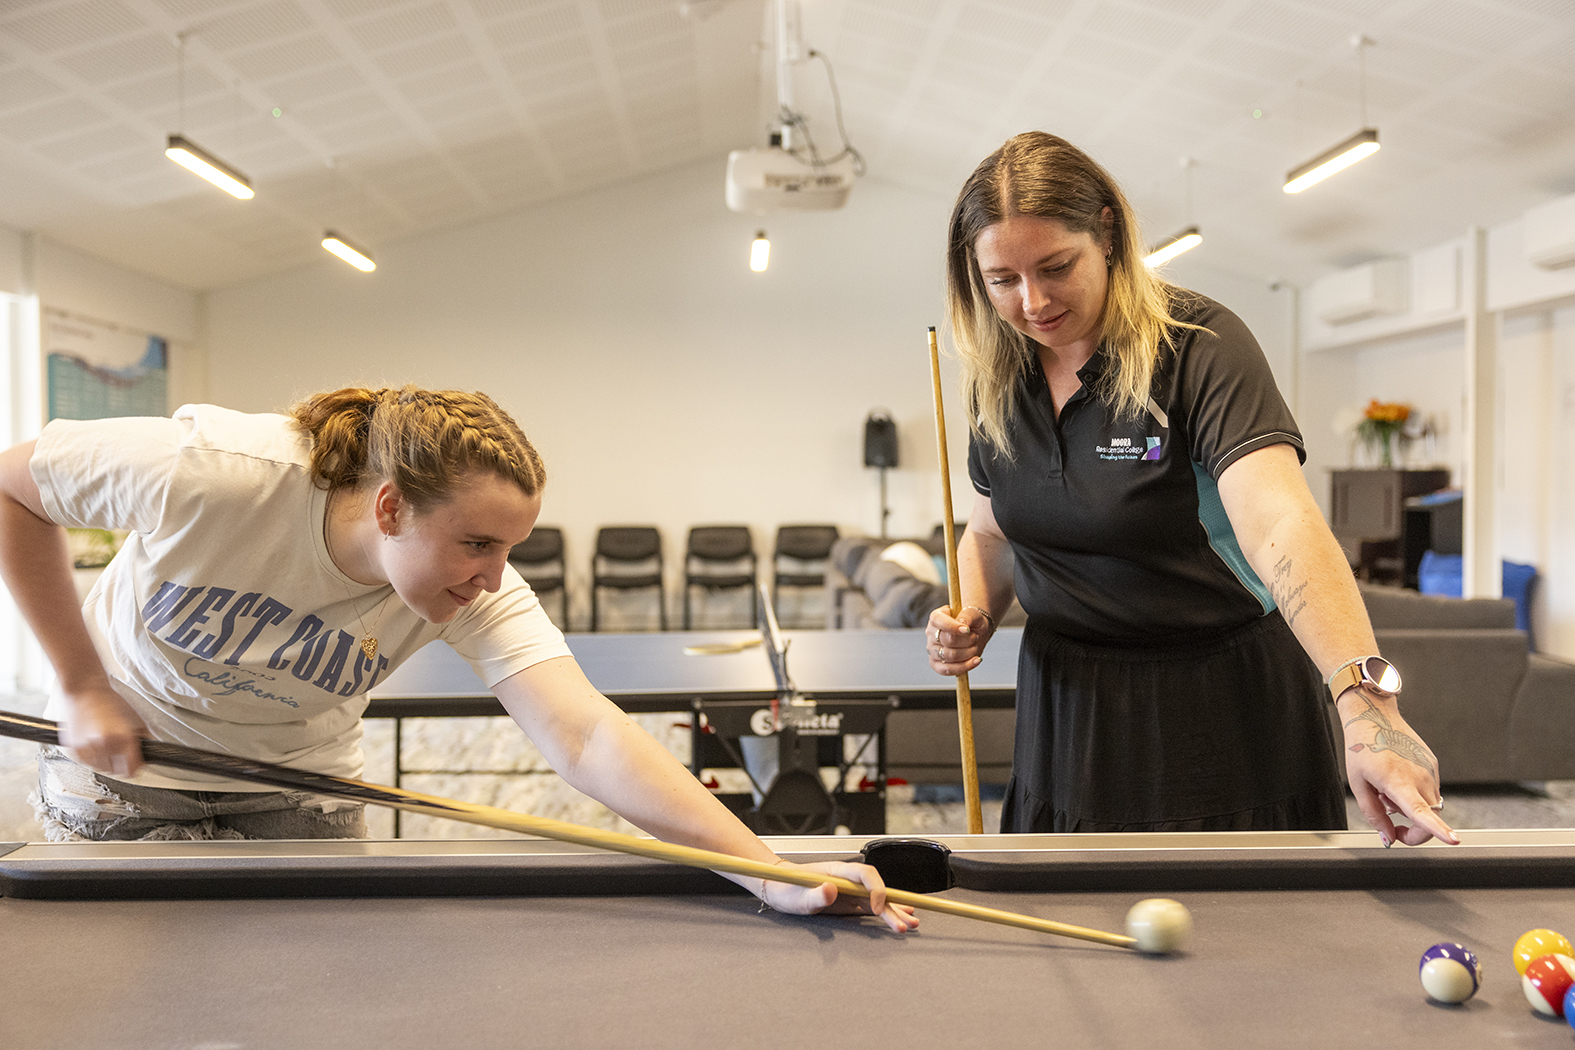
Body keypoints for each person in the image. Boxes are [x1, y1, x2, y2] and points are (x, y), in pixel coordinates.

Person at [0, 385, 915, 930]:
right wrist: (80, 685)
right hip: (128, 764)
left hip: (298, 780)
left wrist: (768, 873)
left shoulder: (479, 588)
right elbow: (12, 489)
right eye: (476, 543)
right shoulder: (212, 471)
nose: (494, 576)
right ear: (390, 507)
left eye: (509, 548)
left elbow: (587, 736)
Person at [925, 132, 1456, 847]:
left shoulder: (1198, 345)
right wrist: (973, 613)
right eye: (1002, 280)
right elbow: (992, 531)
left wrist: (1367, 706)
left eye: (1056, 267)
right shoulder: (997, 377)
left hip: (1220, 703)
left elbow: (1279, 523)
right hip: (1067, 714)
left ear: (1107, 234)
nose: (1033, 300)